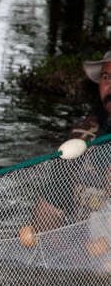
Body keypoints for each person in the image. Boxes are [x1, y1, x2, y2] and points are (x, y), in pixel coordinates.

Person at [30, 51, 110, 258]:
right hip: (88, 259)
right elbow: (49, 212)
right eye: (107, 77)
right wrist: (64, 254)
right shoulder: (81, 138)